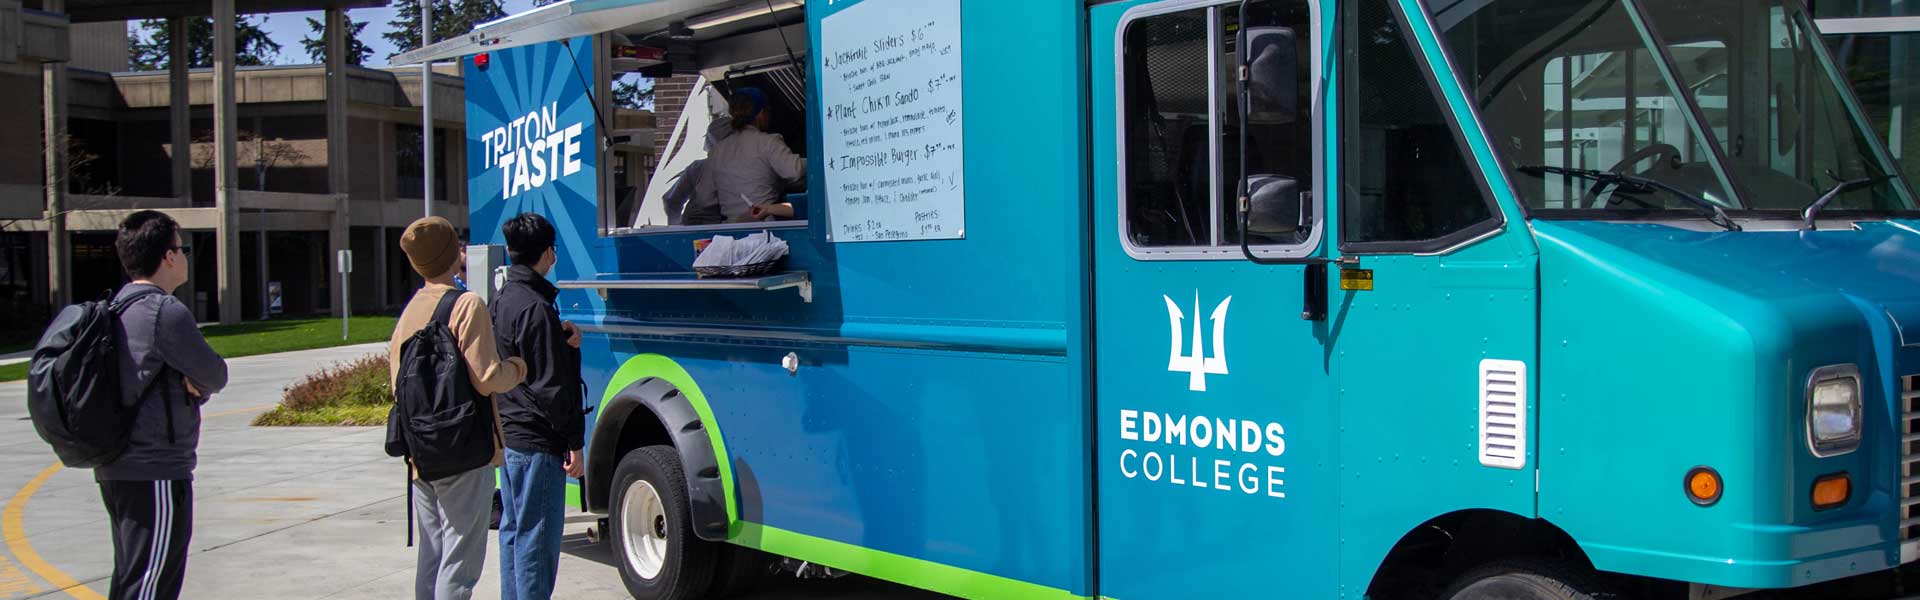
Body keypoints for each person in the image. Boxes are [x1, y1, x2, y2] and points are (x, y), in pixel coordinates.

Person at [390, 216, 527, 600]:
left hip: (421, 454)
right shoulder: (466, 304)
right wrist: (518, 367)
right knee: (460, 563)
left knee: (432, 557)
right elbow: (487, 378)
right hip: (465, 450)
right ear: (454, 256)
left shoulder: (409, 311)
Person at [97, 210, 229, 600]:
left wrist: (195, 384)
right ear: (168, 257)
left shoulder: (116, 306)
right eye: (182, 247)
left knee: (131, 578)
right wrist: (197, 386)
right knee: (152, 583)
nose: (185, 255)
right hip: (155, 467)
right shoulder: (163, 312)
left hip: (118, 464)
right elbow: (215, 373)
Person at [491, 213, 585, 600]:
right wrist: (575, 442)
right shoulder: (537, 308)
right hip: (537, 442)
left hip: (510, 434)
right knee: (537, 542)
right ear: (548, 253)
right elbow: (552, 387)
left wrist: (564, 346)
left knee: (514, 534)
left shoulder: (502, 300)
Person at [684, 87, 807, 225]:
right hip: (766, 226)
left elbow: (705, 198)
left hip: (731, 229)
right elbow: (794, 170)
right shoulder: (768, 142)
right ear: (761, 114)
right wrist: (816, 160)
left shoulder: (717, 151)